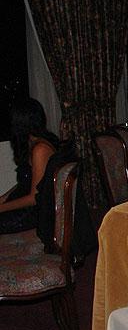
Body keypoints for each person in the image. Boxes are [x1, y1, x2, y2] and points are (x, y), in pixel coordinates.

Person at [0, 98, 57, 234]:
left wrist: (2, 207)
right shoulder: (34, 144)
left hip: (34, 213)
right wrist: (3, 198)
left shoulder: (40, 149)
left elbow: (34, 198)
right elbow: (26, 182)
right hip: (27, 207)